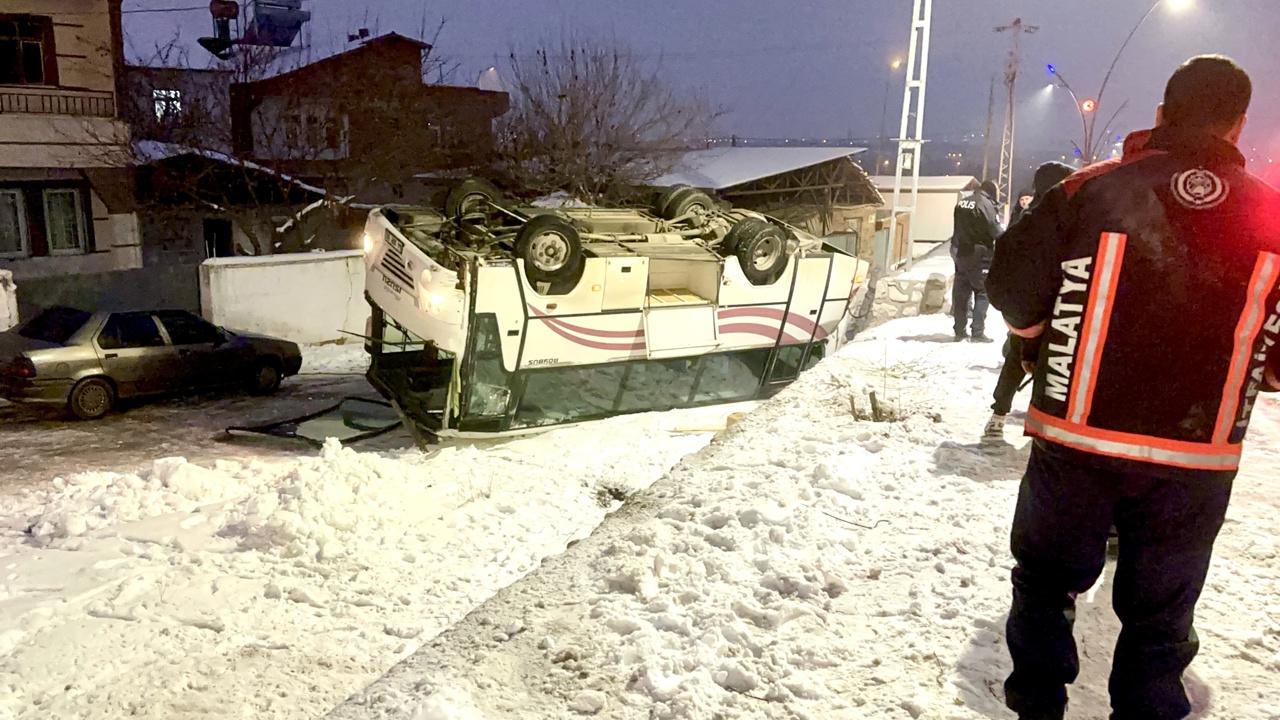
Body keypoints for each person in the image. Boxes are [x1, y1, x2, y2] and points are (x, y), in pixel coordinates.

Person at [986, 55, 1280, 720]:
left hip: (1077, 436)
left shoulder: (1088, 190)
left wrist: (1038, 341)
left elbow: (1010, 283)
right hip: (1196, 456)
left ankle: (1037, 704)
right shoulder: (1273, 215)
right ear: (1238, 126)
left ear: (1159, 116)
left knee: (1044, 584)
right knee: (1160, 621)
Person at [984, 162, 1075, 437]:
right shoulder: (1060, 219)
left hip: (1027, 313)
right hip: (1050, 311)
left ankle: (999, 413)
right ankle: (1040, 422)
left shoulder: (1026, 217)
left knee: (1017, 360)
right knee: (1046, 366)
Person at [952, 179, 1003, 342]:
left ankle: (959, 330)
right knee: (982, 292)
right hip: (980, 254)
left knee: (961, 293)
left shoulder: (963, 203)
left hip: (961, 253)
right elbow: (995, 230)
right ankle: (977, 332)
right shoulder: (986, 204)